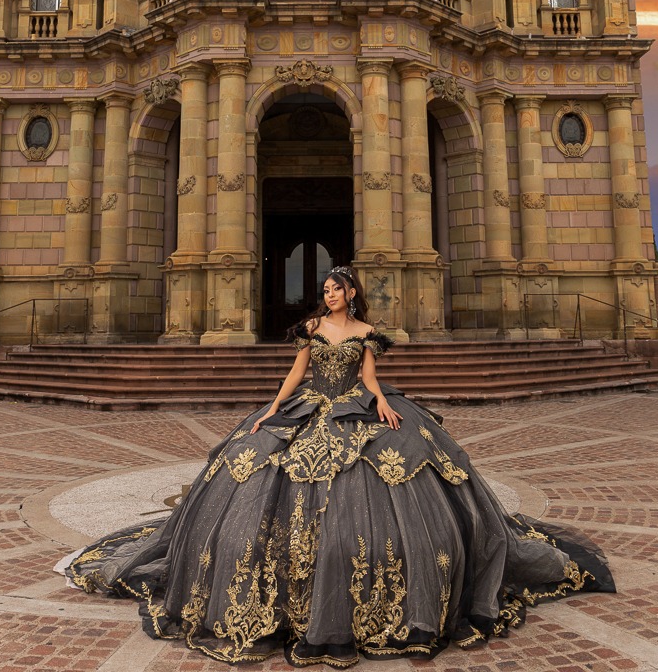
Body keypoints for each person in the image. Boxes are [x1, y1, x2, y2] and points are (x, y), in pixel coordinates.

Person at [62, 265, 614, 666]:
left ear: (351, 293)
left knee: (396, 476)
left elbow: (370, 377)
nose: (328, 295)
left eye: (335, 288)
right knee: (254, 472)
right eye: (324, 288)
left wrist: (380, 403)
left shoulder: (365, 334)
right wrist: (270, 412)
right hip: (307, 409)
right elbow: (295, 375)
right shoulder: (309, 331)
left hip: (354, 406)